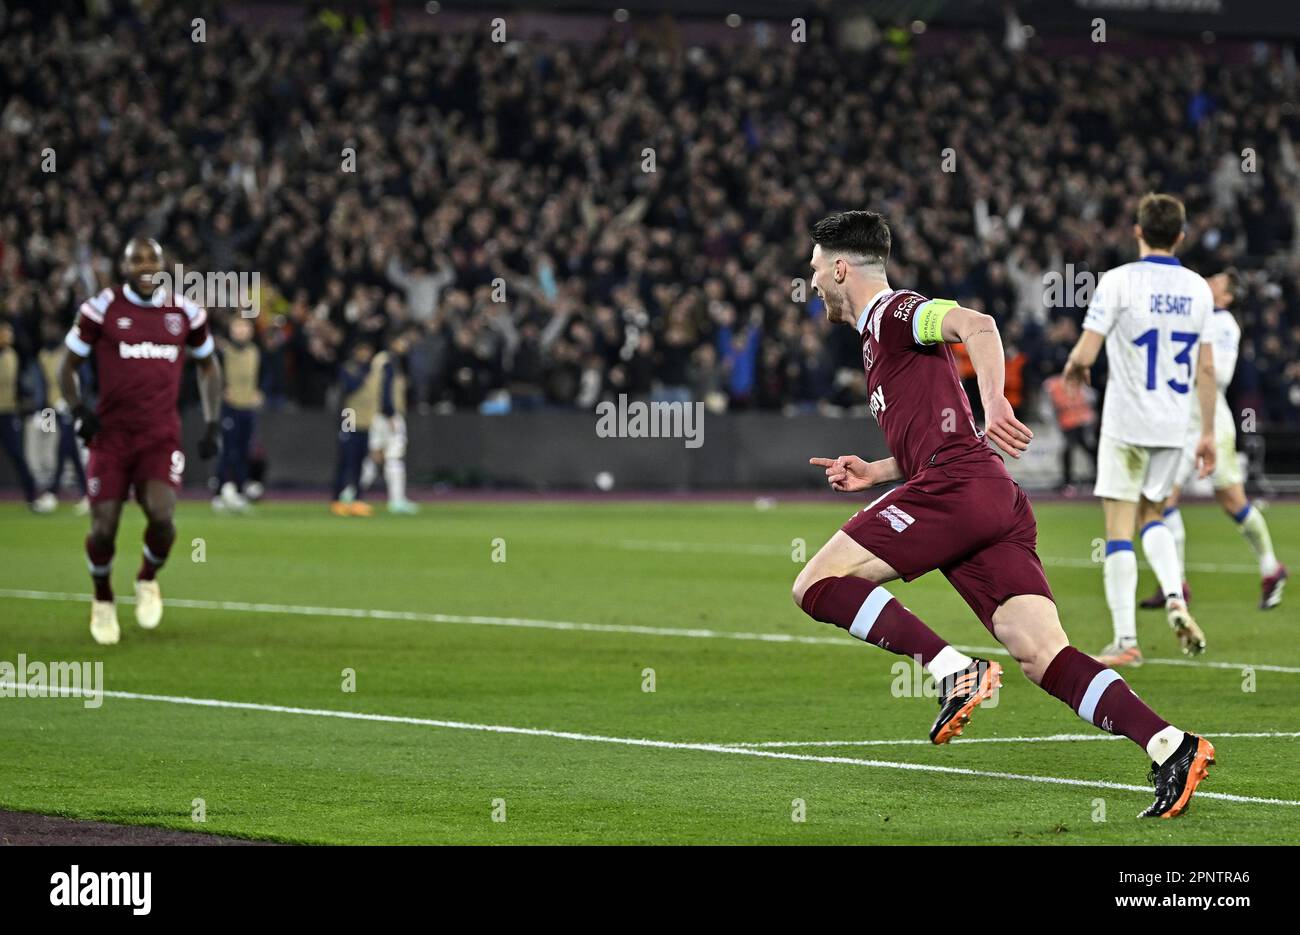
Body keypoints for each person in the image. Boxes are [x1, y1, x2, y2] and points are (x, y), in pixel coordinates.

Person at [795, 210, 1213, 819]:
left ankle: (952, 671)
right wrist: (879, 472)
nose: (810, 283)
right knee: (1044, 656)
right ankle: (1170, 745)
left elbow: (978, 324)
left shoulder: (894, 312)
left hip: (956, 489)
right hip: (987, 497)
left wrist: (995, 403)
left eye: (813, 269)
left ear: (839, 267)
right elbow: (938, 431)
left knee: (815, 584)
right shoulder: (876, 338)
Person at [1063, 194, 1217, 667]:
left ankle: (1126, 639)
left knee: (1118, 530)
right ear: (1181, 236)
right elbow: (1206, 370)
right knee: (1155, 513)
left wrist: (1074, 368)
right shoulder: (1199, 289)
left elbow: (1087, 352)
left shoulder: (1119, 281)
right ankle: (1174, 597)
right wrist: (1207, 432)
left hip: (1128, 423)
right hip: (1174, 424)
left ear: (1137, 231)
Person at [60, 238, 223, 644]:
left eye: (153, 259)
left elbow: (209, 367)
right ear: (124, 265)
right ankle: (103, 600)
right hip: (111, 436)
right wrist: (79, 410)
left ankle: (147, 578)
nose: (146, 266)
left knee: (162, 516)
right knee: (103, 528)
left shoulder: (185, 312)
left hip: (159, 435)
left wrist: (213, 422)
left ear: (164, 264)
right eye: (137, 260)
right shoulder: (101, 308)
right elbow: (68, 367)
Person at [1140, 268, 1287, 611]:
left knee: (1233, 501)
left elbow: (1219, 374)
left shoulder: (1223, 324)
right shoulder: (1192, 317)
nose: (1208, 283)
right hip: (1178, 422)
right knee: (1161, 502)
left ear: (1228, 296)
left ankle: (1270, 567)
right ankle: (1174, 582)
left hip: (1210, 422)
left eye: (1217, 282)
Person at [0, 320, 52, 512]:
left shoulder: (11, 355)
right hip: (35, 411)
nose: (9, 337)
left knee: (18, 455)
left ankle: (33, 497)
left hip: (9, 412)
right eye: (6, 333)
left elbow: (11, 381)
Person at [213, 317, 262, 513]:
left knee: (244, 451)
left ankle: (240, 491)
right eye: (237, 327)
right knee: (228, 451)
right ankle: (219, 492)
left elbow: (266, 375)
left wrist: (260, 391)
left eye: (244, 328)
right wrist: (223, 389)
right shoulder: (224, 352)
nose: (241, 331)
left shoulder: (255, 352)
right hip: (230, 407)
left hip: (247, 407)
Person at [330, 342, 375, 517]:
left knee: (360, 463)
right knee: (346, 460)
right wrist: (363, 374)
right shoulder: (348, 369)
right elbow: (349, 387)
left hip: (365, 420)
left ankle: (357, 499)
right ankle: (337, 499)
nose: (365, 355)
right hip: (349, 418)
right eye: (362, 351)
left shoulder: (371, 370)